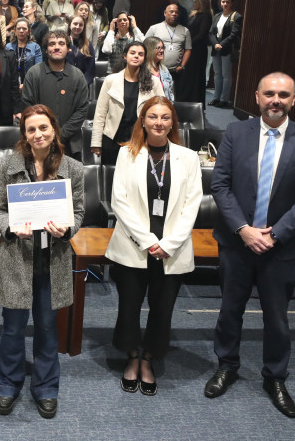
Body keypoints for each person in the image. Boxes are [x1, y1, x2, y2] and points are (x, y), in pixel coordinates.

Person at [205, 73, 295, 419]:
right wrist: (244, 229)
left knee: (277, 318)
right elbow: (221, 186)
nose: (275, 100)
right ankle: (227, 365)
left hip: (281, 248)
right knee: (230, 310)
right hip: (236, 243)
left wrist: (273, 234)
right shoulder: (236, 133)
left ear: (293, 99)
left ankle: (275, 378)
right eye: (269, 93)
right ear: (256, 97)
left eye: (283, 95)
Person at [0, 104, 85, 419]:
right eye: (31, 129)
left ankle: (46, 388)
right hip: (18, 255)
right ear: (24, 134)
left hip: (52, 256)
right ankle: (7, 384)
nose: (38, 134)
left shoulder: (72, 168)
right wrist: (8, 227)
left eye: (43, 128)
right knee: (13, 328)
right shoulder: (7, 165)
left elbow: (80, 210)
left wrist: (68, 228)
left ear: (54, 129)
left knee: (47, 327)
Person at [106, 96, 202, 396]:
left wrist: (168, 244)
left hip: (172, 249)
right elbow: (118, 201)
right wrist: (148, 241)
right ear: (143, 121)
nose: (158, 123)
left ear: (172, 122)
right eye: (152, 117)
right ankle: (132, 357)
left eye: (165, 117)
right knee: (129, 307)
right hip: (134, 245)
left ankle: (149, 359)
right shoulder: (127, 154)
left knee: (163, 309)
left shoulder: (188, 157)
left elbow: (192, 204)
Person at [91, 42, 165, 165]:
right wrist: (96, 143)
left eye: (140, 54)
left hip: (141, 138)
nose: (136, 56)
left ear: (144, 59)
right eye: (132, 53)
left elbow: (163, 111)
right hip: (113, 139)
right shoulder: (111, 80)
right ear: (125, 56)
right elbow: (100, 113)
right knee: (112, 179)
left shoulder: (154, 82)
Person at [21, 30, 89, 160]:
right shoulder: (34, 74)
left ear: (68, 49)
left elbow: (82, 110)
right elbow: (27, 106)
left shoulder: (77, 75)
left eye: (61, 43)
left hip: (70, 145)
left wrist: (59, 134)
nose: (57, 47)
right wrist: (44, 134)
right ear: (46, 50)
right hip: (38, 143)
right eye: (52, 44)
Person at [145, 5, 192, 101]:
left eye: (176, 12)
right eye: (171, 11)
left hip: (176, 71)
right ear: (165, 13)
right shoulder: (154, 28)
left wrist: (182, 66)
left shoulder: (184, 30)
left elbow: (188, 49)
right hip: (156, 70)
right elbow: (145, 46)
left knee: (173, 96)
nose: (174, 14)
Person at [208, 0, 242, 109]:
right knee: (217, 74)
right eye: (223, 2)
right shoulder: (217, 16)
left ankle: (224, 99)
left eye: (227, 2)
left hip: (227, 49)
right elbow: (211, 32)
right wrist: (215, 44)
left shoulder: (236, 16)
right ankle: (216, 98)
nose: (225, 4)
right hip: (216, 48)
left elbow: (234, 34)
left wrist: (221, 44)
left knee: (226, 75)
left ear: (232, 3)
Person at [178, 0, 213, 105]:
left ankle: (193, 101)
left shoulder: (206, 16)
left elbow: (202, 34)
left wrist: (188, 43)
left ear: (202, 3)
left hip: (198, 50)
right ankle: (185, 99)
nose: (194, 3)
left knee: (195, 75)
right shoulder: (194, 14)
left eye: (196, 1)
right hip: (191, 48)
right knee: (187, 74)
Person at [5, 18, 43, 89]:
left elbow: (38, 70)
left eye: (24, 28)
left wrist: (25, 85)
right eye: (19, 28)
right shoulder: (8, 47)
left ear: (29, 31)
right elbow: (5, 69)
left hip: (30, 85)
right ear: (15, 31)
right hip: (12, 86)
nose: (21, 31)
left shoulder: (35, 47)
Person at [143, 37, 175, 102]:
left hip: (164, 107)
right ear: (149, 50)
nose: (162, 50)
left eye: (163, 48)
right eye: (158, 48)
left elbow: (170, 93)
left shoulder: (164, 70)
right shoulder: (142, 70)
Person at [67, 15, 95, 84]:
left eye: (81, 25)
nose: (77, 27)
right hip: (65, 82)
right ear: (70, 25)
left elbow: (91, 68)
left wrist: (84, 83)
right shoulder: (63, 42)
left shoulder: (88, 44)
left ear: (83, 27)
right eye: (75, 24)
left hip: (83, 83)